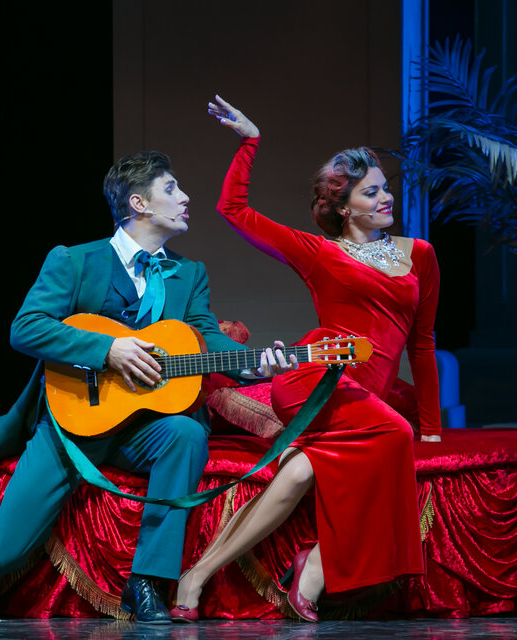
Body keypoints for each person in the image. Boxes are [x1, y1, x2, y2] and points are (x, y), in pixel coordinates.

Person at [0, 150, 296, 624]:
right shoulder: (75, 260)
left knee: (186, 434)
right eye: (171, 188)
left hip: (144, 429)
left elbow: (205, 337)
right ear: (138, 203)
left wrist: (256, 365)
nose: (186, 197)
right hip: (71, 423)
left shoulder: (189, 274)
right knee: (6, 547)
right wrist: (107, 350)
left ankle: (147, 583)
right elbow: (27, 328)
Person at [169, 96, 442, 623]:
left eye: (384, 187)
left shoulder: (420, 255)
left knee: (297, 474)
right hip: (316, 382)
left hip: (364, 400)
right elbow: (234, 210)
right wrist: (250, 142)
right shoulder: (319, 253)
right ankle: (316, 568)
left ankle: (196, 577)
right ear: (344, 208)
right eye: (371, 192)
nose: (386, 197)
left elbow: (422, 343)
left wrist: (432, 430)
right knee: (394, 433)